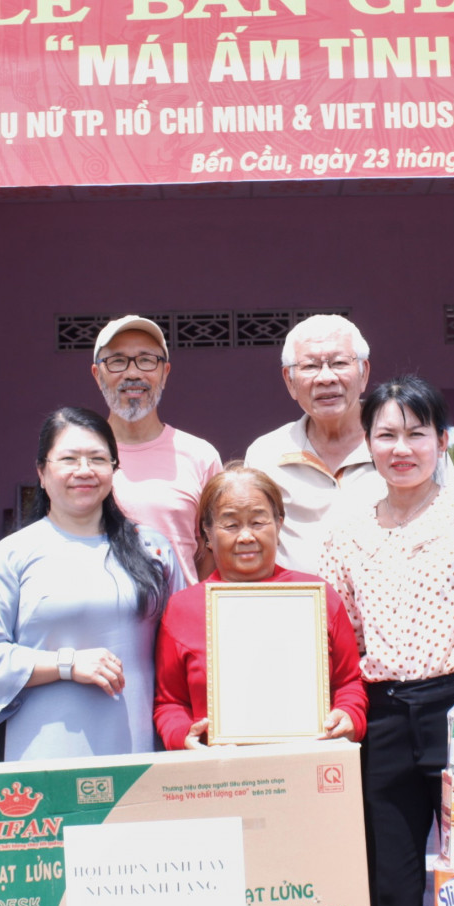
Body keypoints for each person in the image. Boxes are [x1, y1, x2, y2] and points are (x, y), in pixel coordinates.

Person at [321, 376, 454, 906]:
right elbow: (343, 635)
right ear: (368, 443)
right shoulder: (345, 531)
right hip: (380, 716)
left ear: (443, 440)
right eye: (386, 435)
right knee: (390, 873)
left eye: (417, 434)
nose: (401, 449)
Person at [0, 406, 181, 759]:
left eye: (97, 459)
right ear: (42, 472)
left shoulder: (153, 548)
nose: (84, 470)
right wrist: (67, 665)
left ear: (114, 469)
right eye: (69, 459)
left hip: (141, 750)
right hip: (41, 753)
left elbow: (181, 650)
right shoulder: (12, 554)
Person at [153, 464, 368, 749]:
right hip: (219, 775)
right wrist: (183, 735)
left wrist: (351, 715)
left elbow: (349, 683)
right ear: (207, 532)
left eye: (257, 522)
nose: (246, 537)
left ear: (279, 523)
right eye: (230, 524)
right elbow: (170, 702)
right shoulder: (182, 609)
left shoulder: (317, 597)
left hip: (308, 767)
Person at [91, 314, 222, 581]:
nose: (133, 373)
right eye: (117, 361)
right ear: (97, 374)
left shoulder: (200, 456)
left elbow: (213, 547)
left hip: (178, 621)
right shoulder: (79, 456)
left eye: (147, 360)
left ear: (165, 373)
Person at [246, 315, 379, 574]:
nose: (326, 378)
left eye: (340, 363)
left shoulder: (406, 444)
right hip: (299, 610)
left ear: (364, 374)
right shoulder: (265, 455)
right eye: (310, 367)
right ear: (290, 381)